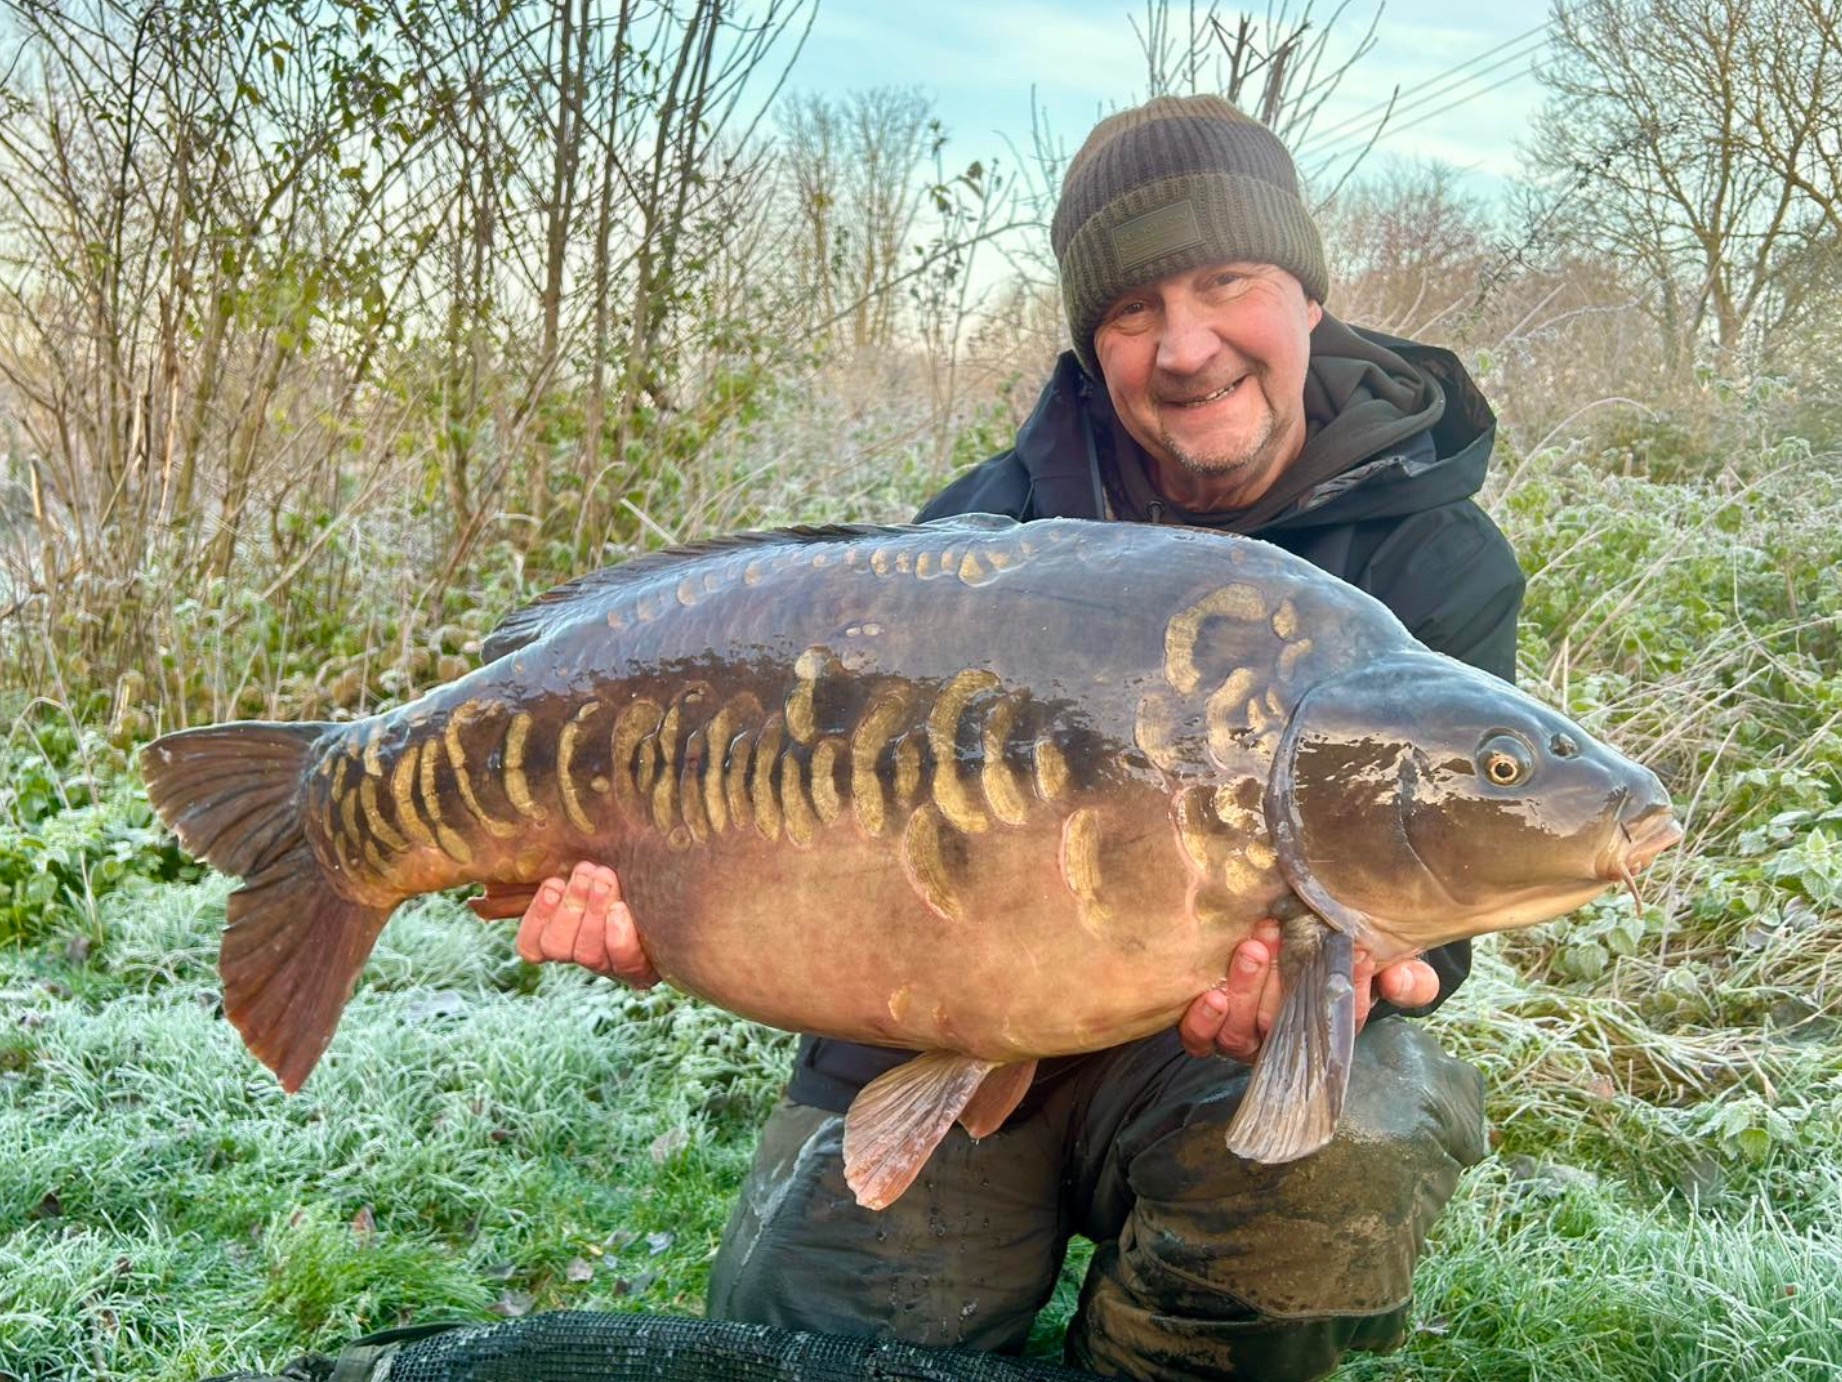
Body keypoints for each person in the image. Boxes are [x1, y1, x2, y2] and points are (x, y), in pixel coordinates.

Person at [504, 95, 1521, 1380]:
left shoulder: (1434, 554)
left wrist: (1377, 968)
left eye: (1227, 282)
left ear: (1307, 294)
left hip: (1202, 1062)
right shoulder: (982, 537)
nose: (1186, 346)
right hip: (935, 1023)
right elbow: (815, 827)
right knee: (799, 1346)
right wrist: (668, 896)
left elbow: (1436, 882)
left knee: (1359, 1123)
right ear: (1093, 343)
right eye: (1134, 309)